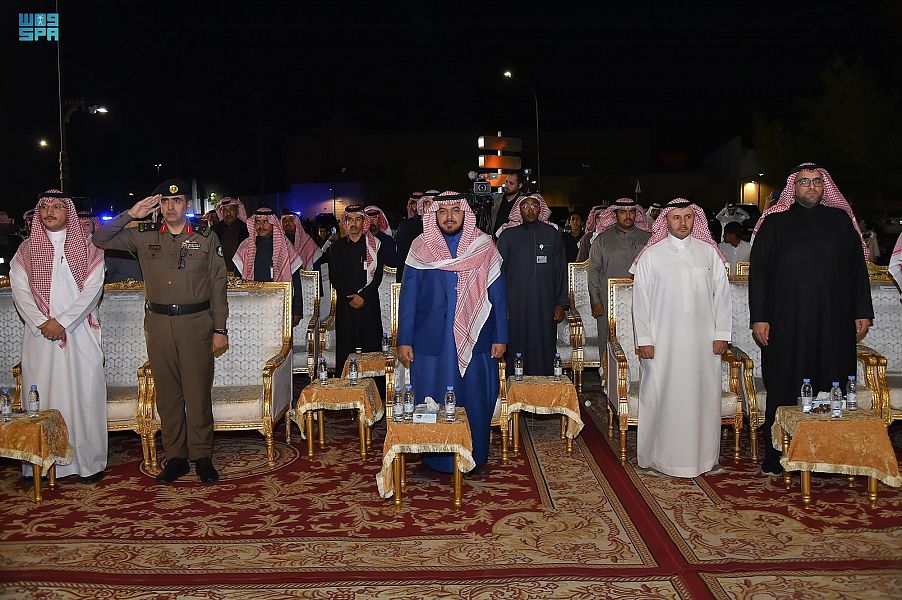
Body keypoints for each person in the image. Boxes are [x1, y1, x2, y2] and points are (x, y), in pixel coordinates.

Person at [92, 179, 229, 485]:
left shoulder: (206, 237)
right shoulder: (144, 235)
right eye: (165, 201)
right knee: (167, 395)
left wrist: (220, 328)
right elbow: (100, 238)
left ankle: (202, 457)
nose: (170, 206)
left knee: (197, 393)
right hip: (158, 324)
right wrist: (132, 213)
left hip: (196, 323)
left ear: (187, 205)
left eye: (177, 201)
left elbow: (218, 284)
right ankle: (176, 457)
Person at [749, 163, 873, 476]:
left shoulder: (840, 221)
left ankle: (831, 456)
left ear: (824, 186)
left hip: (834, 321)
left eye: (817, 181)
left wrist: (862, 311)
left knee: (832, 382)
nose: (811, 186)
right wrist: (760, 318)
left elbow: (857, 270)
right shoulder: (775, 223)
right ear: (793, 187)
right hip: (787, 321)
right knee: (785, 383)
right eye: (804, 181)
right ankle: (779, 455)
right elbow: (759, 274)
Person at [398, 192, 508, 472]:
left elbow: (498, 294)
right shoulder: (420, 246)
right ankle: (435, 457)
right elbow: (408, 297)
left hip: (477, 337)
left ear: (465, 213)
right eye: (443, 211)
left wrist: (501, 336)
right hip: (430, 339)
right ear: (434, 214)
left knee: (474, 398)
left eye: (455, 210)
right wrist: (404, 339)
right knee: (432, 398)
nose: (449, 217)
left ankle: (473, 453)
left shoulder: (483, 245)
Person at [630, 199, 732, 478]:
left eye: (688, 217)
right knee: (662, 397)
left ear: (695, 220)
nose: (683, 223)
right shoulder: (651, 256)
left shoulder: (708, 253)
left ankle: (703, 459)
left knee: (702, 399)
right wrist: (645, 339)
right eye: (676, 217)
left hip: (703, 344)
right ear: (666, 220)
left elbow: (723, 297)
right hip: (662, 343)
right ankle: (660, 459)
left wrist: (721, 334)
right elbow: (640, 302)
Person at [11, 190, 107, 483]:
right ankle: (42, 464)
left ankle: (88, 464)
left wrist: (63, 322)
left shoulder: (89, 248)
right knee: (43, 397)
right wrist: (43, 323)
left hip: (79, 334)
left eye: (56, 206)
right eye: (44, 207)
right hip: (41, 337)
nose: (49, 212)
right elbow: (20, 291)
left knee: (84, 396)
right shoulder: (26, 251)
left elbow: (93, 291)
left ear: (69, 212)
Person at [497, 193, 567, 376]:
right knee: (517, 344)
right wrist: (502, 305)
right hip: (516, 305)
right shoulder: (507, 236)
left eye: (534, 206)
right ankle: (516, 386)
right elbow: (498, 274)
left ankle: (544, 385)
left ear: (540, 209)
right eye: (525, 206)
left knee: (544, 345)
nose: (530, 210)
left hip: (545, 304)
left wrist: (560, 303)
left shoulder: (552, 234)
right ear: (518, 210)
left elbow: (560, 270)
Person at [587, 198, 652, 366]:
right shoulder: (602, 240)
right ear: (615, 214)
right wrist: (596, 300)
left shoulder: (648, 239)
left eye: (631, 212)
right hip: (608, 301)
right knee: (608, 339)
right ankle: (606, 375)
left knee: (640, 337)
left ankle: (640, 375)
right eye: (623, 212)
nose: (628, 216)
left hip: (642, 299)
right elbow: (593, 271)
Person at [328, 206, 385, 374]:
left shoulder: (374, 246)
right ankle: (346, 384)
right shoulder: (336, 248)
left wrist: (363, 296)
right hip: (346, 305)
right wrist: (349, 297)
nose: (353, 223)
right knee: (346, 346)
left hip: (369, 303)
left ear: (363, 222)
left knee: (370, 346)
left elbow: (378, 276)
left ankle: (374, 385)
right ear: (345, 222)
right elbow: (334, 276)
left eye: (357, 219)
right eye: (350, 219)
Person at [233, 207, 303, 326]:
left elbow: (296, 280)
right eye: (258, 222)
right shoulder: (245, 246)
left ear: (273, 223)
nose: (261, 226)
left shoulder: (285, 247)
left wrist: (297, 310)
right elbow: (237, 279)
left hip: (278, 302)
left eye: (265, 221)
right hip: (251, 303)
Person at [395, 190, 438, 282]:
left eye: (434, 203)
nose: (431, 207)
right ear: (422, 206)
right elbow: (402, 258)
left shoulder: (447, 228)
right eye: (427, 203)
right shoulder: (407, 227)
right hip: (414, 278)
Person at [212, 196, 248, 276]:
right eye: (225, 210)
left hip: (241, 274)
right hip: (219, 274)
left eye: (231, 209)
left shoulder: (246, 229)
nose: (228, 213)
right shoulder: (214, 230)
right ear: (221, 212)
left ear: (237, 211)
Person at [491, 170, 526, 238]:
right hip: (495, 240)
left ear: (519, 185)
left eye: (511, 183)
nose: (507, 185)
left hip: (515, 239)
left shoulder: (524, 201)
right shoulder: (496, 199)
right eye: (506, 181)